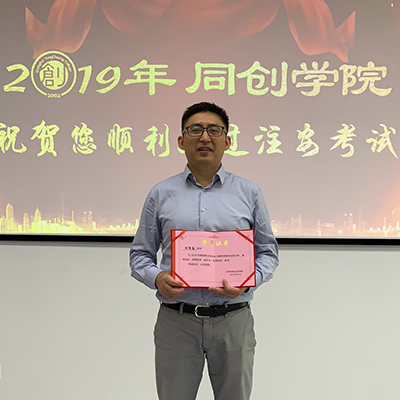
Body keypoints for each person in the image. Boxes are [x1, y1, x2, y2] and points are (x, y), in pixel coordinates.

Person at [129, 102, 279, 400]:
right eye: (195, 130)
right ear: (181, 140)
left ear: (228, 141)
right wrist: (157, 278)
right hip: (177, 322)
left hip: (233, 321)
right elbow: (139, 255)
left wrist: (247, 281)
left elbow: (268, 253)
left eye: (214, 130)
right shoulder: (161, 193)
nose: (205, 137)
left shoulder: (249, 193)